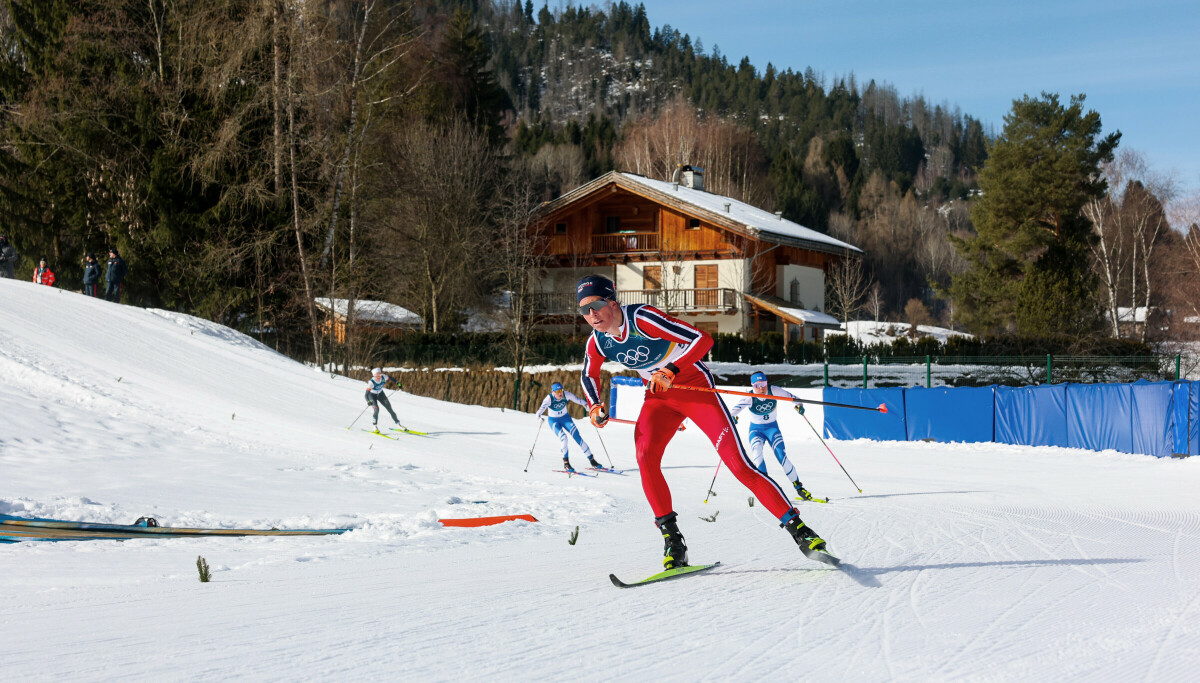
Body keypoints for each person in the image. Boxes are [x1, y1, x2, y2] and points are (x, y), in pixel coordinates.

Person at [577, 274, 832, 570]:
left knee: (739, 465)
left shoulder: (642, 319)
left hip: (695, 389)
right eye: (584, 310)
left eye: (596, 305)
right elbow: (588, 374)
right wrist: (594, 405)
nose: (591, 314)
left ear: (612, 301)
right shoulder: (598, 342)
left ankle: (801, 532)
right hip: (660, 399)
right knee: (645, 457)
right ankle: (674, 543)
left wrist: (671, 369)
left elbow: (702, 339)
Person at [729, 371, 820, 502]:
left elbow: (795, 399)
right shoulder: (749, 397)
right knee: (757, 454)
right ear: (753, 386)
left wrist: (799, 406)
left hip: (772, 429)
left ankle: (799, 488)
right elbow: (732, 412)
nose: (762, 388)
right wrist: (733, 418)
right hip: (756, 430)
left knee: (782, 456)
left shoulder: (774, 390)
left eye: (764, 383)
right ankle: (766, 489)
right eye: (758, 385)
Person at [534, 381, 603, 472]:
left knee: (577, 437)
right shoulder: (548, 399)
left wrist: (586, 406)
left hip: (565, 419)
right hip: (554, 421)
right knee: (564, 438)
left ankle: (592, 460)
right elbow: (538, 413)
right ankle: (566, 464)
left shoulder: (566, 394)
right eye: (558, 391)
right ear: (553, 392)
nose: (560, 393)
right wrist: (539, 419)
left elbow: (579, 400)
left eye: (561, 390)